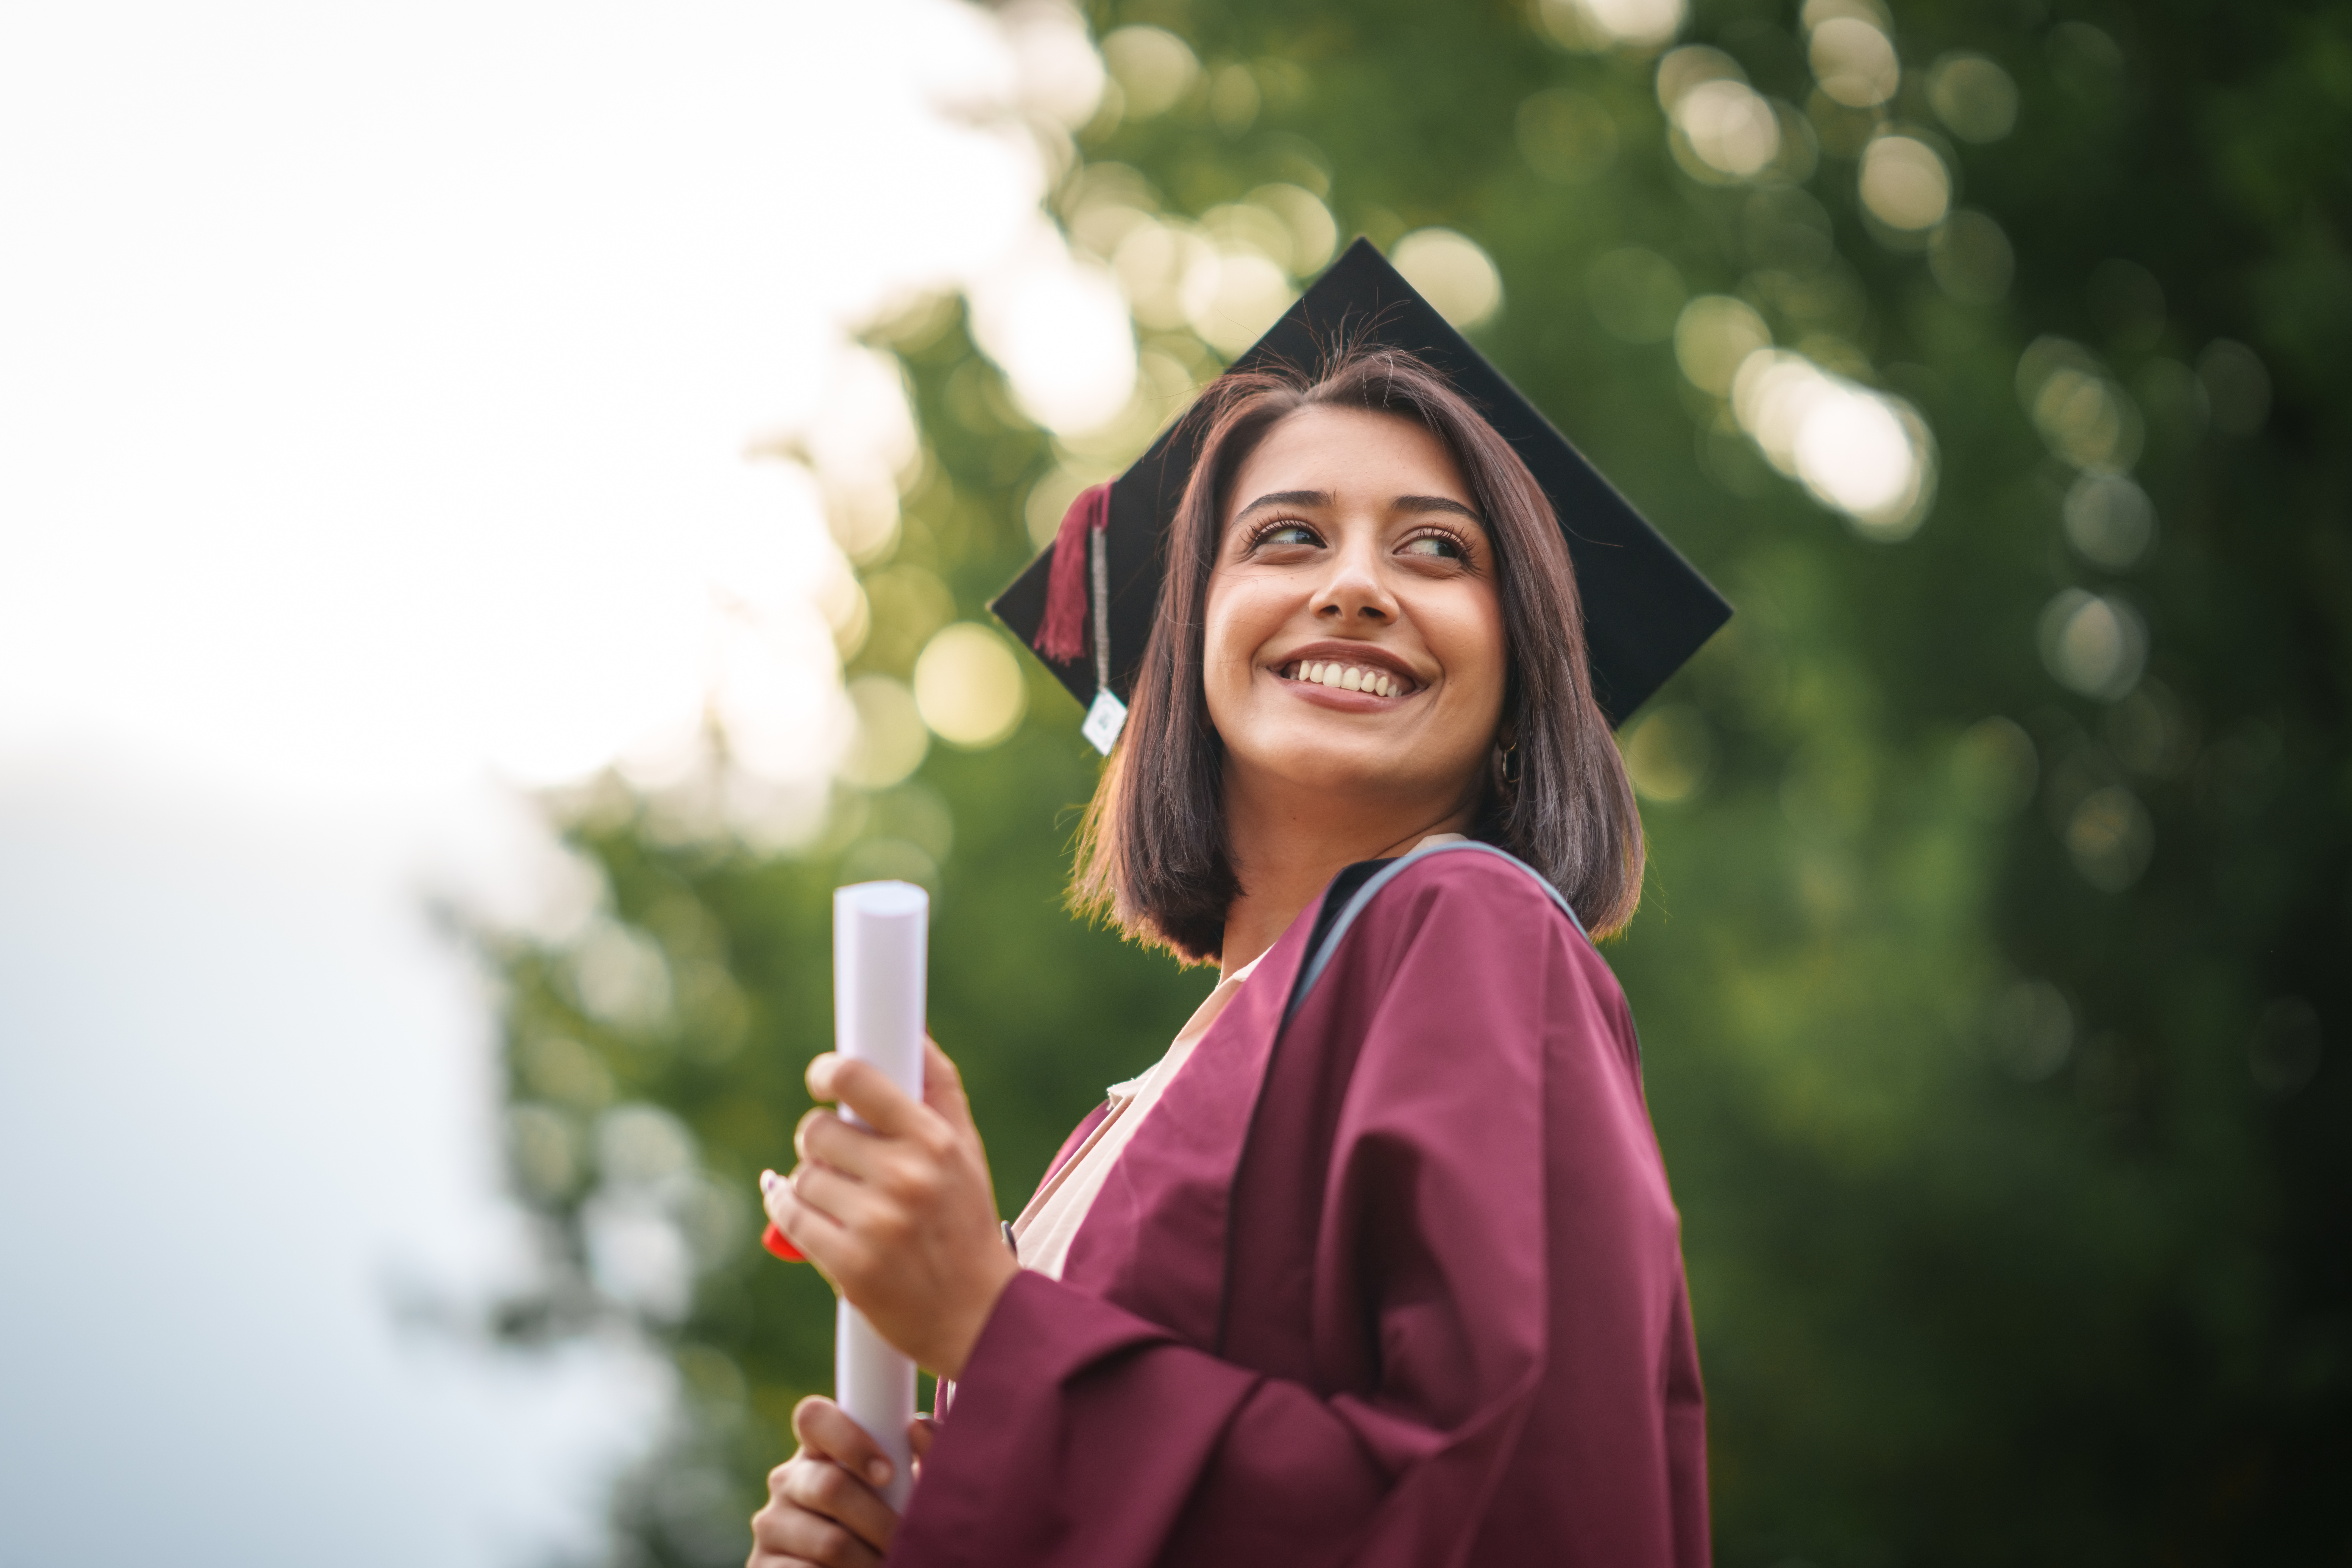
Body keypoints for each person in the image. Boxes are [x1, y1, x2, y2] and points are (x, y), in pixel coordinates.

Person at [750, 242, 1727, 1568]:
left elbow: (1508, 1499)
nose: (1357, 585)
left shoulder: (1463, 928)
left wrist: (994, 1333)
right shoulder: (1115, 1121)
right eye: (1287, 537)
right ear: (1186, 634)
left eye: (1437, 551)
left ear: (1519, 672)